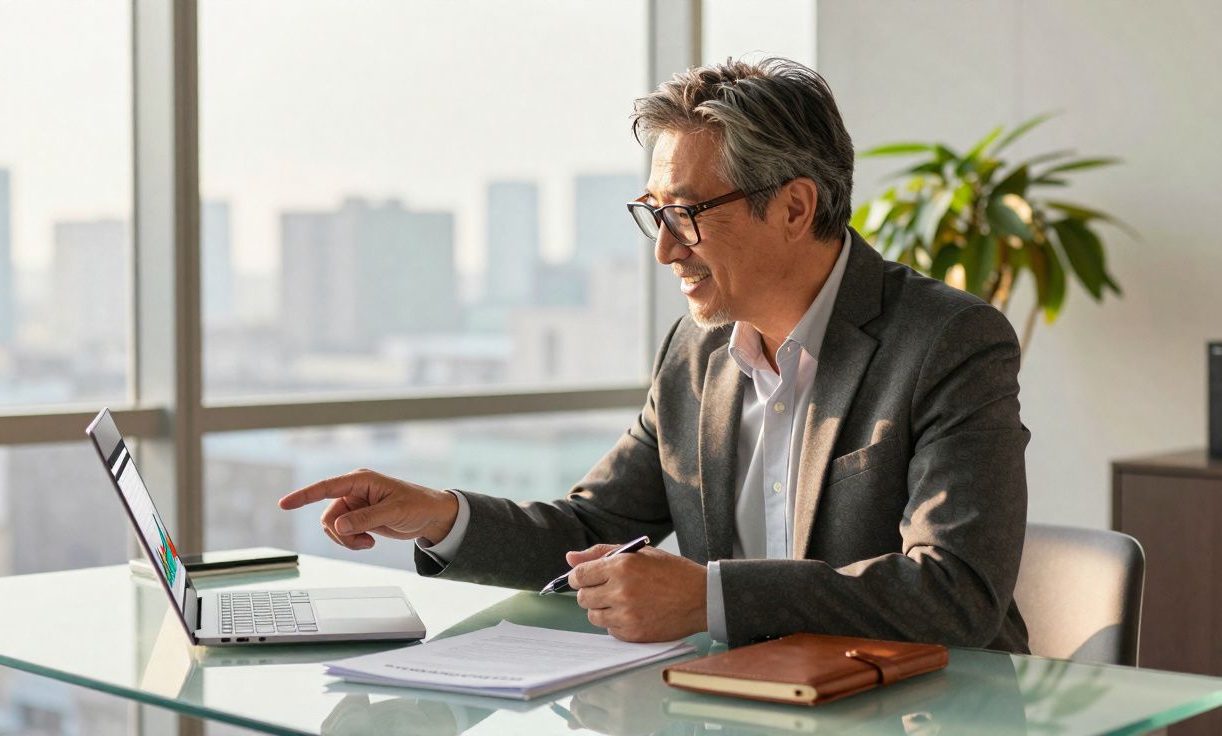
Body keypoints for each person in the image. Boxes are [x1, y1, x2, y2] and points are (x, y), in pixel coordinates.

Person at [278, 57, 1029, 652]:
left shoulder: (946, 341)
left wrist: (708, 598)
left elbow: (953, 590)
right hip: (739, 704)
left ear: (795, 207)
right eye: (655, 215)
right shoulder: (697, 352)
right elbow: (587, 532)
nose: (665, 248)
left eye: (686, 214)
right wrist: (440, 516)